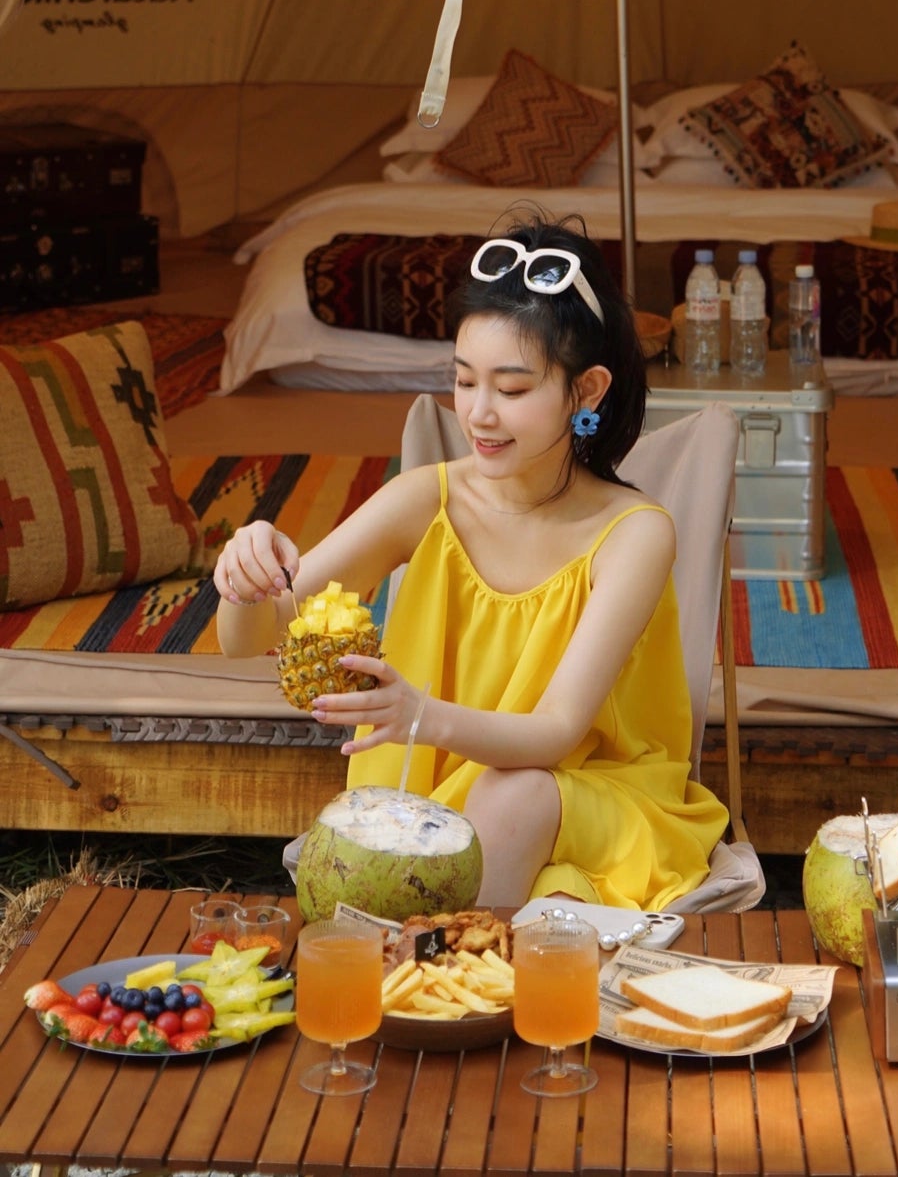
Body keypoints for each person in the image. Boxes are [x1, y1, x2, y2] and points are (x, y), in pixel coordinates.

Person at [215, 214, 729, 909]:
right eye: (464, 382)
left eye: (512, 390)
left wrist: (422, 717)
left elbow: (554, 734)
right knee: (476, 817)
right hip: (432, 802)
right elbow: (250, 639)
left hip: (583, 792)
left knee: (511, 792)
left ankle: (445, 977)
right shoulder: (426, 499)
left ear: (588, 390)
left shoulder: (634, 534)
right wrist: (245, 575)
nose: (479, 414)